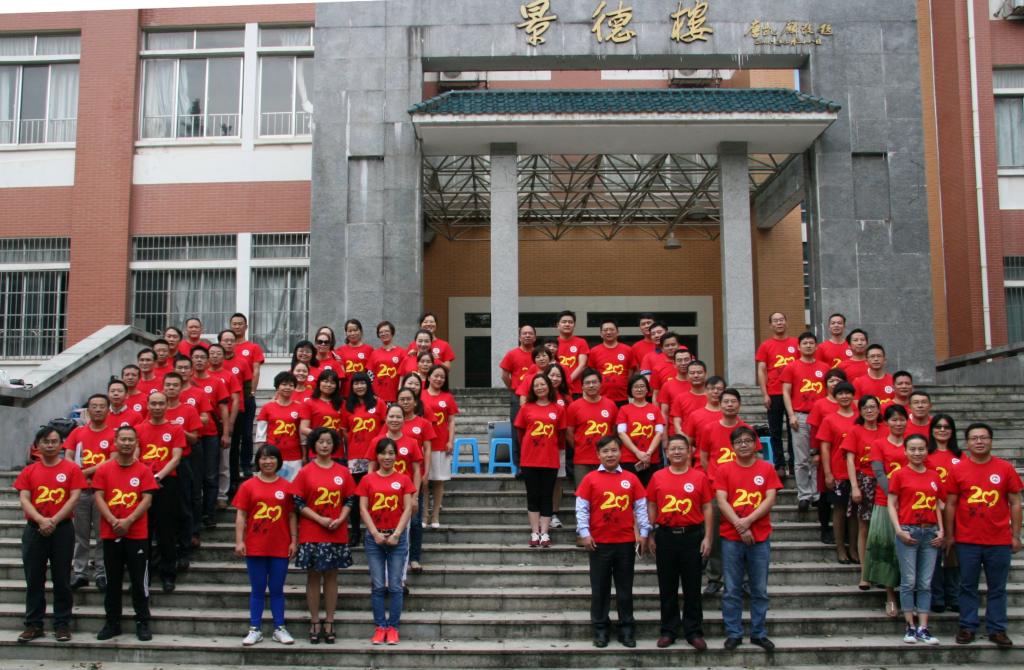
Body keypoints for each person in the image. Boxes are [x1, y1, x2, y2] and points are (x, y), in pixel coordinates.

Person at [945, 422, 1023, 648]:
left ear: (991, 440)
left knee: (997, 587)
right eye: (974, 438)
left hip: (999, 540)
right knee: (967, 585)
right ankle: (967, 627)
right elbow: (951, 504)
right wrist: (950, 535)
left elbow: (1015, 502)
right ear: (967, 443)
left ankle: (997, 629)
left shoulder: (1005, 468)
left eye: (983, 437)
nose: (979, 442)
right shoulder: (958, 469)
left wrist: (1016, 535)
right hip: (967, 540)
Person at [575, 435, 650, 648]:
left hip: (625, 542)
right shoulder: (590, 479)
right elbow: (582, 509)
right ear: (598, 455)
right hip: (599, 543)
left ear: (621, 453)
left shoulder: (631, 479)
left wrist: (644, 532)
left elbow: (641, 507)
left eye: (614, 450)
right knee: (600, 587)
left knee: (625, 588)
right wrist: (585, 533)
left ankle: (626, 628)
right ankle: (600, 628)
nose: (610, 455)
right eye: (605, 451)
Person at [15, 426, 86, 643]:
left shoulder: (72, 469)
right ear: (38, 445)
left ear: (61, 445)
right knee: (34, 579)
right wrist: (41, 520)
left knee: (62, 579)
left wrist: (53, 521)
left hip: (62, 529)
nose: (50, 445)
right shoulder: (29, 471)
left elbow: (74, 498)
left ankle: (62, 624)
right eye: (46, 441)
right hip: (34, 529)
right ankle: (33, 624)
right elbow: (24, 498)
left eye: (54, 441)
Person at [715, 425, 783, 651]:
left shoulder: (766, 468)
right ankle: (734, 632)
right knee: (731, 588)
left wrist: (748, 521)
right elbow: (722, 500)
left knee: (759, 589)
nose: (743, 445)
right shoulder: (724, 469)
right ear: (732, 447)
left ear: (755, 444)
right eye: (738, 442)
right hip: (731, 537)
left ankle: (758, 632)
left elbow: (770, 499)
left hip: (760, 536)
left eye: (747, 441)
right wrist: (740, 526)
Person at [646, 434, 712, 650]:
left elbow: (707, 507)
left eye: (680, 448)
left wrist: (708, 537)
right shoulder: (657, 477)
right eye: (672, 448)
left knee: (693, 586)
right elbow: (652, 505)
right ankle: (669, 630)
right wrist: (651, 533)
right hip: (665, 536)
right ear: (666, 453)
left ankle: (694, 631)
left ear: (689, 451)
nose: (676, 452)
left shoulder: (699, 477)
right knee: (667, 586)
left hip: (692, 536)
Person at [91, 426, 157, 641]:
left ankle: (142, 621)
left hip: (137, 534)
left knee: (139, 581)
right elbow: (99, 497)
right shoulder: (104, 469)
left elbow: (147, 500)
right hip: (111, 533)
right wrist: (113, 520)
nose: (127, 443)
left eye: (130, 440)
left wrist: (128, 521)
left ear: (136, 443)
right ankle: (112, 622)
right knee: (113, 581)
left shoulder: (143, 470)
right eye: (123, 439)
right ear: (115, 442)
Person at [292, 428, 356, 644]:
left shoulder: (343, 471)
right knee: (313, 576)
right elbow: (298, 502)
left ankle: (329, 620)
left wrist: (341, 518)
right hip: (312, 531)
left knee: (331, 576)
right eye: (321, 442)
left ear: (334, 445)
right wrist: (319, 519)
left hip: (336, 530)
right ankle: (314, 621)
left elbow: (349, 499)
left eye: (329, 442)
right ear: (314, 444)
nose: (325, 445)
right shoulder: (305, 471)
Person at [234, 444, 297, 646]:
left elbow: (291, 515)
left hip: (280, 545)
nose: (267, 461)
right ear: (257, 461)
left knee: (277, 588)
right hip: (255, 545)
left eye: (271, 458)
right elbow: (241, 515)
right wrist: (239, 541)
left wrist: (294, 540)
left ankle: (280, 628)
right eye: (263, 458)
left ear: (278, 461)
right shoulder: (248, 486)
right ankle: (255, 629)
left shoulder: (287, 486)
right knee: (258, 588)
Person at [357, 438, 417, 645]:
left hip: (397, 538)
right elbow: (363, 509)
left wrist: (397, 534)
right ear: (377, 456)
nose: (387, 457)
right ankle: (380, 626)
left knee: (396, 585)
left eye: (391, 453)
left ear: (396, 456)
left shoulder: (404, 479)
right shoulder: (368, 480)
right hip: (374, 538)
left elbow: (408, 509)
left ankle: (393, 627)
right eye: (383, 453)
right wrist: (374, 533)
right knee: (377, 585)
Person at [886, 434, 944, 645]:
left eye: (921, 449)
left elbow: (936, 504)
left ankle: (923, 627)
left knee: (925, 582)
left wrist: (942, 530)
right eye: (912, 449)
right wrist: (899, 530)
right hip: (908, 530)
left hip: (930, 531)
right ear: (905, 451)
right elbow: (891, 503)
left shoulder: (934, 475)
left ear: (927, 451)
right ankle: (910, 625)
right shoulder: (899, 475)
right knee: (909, 581)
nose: (917, 453)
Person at [136, 391, 186, 593]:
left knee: (167, 529)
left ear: (167, 405)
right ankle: (144, 574)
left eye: (160, 403)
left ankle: (168, 573)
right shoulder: (139, 429)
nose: (157, 407)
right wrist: (147, 477)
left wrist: (158, 477)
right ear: (148, 405)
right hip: (143, 484)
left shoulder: (175, 429)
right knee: (143, 530)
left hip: (167, 483)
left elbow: (176, 458)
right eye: (153, 403)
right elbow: (136, 455)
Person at [64, 394, 114, 592]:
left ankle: (102, 571)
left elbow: (112, 460)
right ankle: (80, 572)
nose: (98, 409)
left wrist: (86, 472)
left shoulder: (113, 434)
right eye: (94, 406)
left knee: (103, 534)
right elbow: (68, 456)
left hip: (103, 491)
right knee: (80, 534)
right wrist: (78, 473)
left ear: (108, 410)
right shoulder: (77, 433)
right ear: (88, 410)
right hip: (81, 491)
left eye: (102, 406)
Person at [865, 404, 910, 617]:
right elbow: (879, 473)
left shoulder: (914, 443)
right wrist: (894, 495)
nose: (898, 423)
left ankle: (910, 596)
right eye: (894, 419)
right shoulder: (879, 444)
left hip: (912, 503)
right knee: (887, 549)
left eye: (902, 419)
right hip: (885, 502)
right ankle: (890, 596)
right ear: (887, 422)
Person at [515, 373, 566, 547]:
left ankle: (545, 533)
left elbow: (561, 435)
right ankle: (534, 532)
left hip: (550, 459)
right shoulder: (526, 408)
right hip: (530, 459)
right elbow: (520, 432)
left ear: (549, 387)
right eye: (536, 385)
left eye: (542, 384)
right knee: (533, 495)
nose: (539, 388)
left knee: (546, 495)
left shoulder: (558, 408)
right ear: (532, 389)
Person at [781, 331, 830, 512]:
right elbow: (786, 392)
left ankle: (817, 494)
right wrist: (791, 415)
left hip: (821, 417)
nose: (808, 346)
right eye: (805, 343)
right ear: (799, 347)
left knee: (817, 458)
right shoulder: (791, 367)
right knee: (801, 459)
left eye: (811, 343)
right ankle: (804, 495)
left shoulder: (824, 367)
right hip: (800, 416)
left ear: (816, 346)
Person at [842, 395, 886, 584]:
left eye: (873, 407)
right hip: (864, 481)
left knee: (884, 529)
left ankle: (883, 573)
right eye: (865, 408)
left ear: (879, 409)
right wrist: (854, 486)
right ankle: (865, 574)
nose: (869, 411)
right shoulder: (855, 431)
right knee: (864, 527)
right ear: (859, 411)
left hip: (885, 482)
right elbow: (850, 460)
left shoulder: (886, 430)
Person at [816, 381, 858, 562]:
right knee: (839, 510)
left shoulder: (860, 418)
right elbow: (825, 448)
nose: (845, 396)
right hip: (838, 471)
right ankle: (840, 548)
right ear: (835, 396)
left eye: (848, 393)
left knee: (855, 513)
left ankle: (854, 548)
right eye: (841, 393)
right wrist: (827, 473)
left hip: (859, 471)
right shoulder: (829, 419)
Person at [396, 386, 435, 570]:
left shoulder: (423, 423)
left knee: (415, 520)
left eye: (408, 399)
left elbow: (427, 449)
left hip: (414, 478)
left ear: (415, 402)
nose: (405, 402)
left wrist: (426, 472)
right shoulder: (393, 421)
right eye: (402, 399)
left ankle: (414, 558)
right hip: (393, 480)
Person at [755, 312, 798, 477]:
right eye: (775, 321)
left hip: (794, 394)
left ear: (786, 322)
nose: (779, 323)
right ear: (770, 325)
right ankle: (779, 464)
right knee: (775, 431)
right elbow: (762, 370)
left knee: (794, 430)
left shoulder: (796, 343)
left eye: (781, 320)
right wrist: (764, 393)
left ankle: (793, 464)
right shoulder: (766, 345)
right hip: (774, 392)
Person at [926, 414, 961, 613]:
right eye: (938, 426)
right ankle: (937, 596)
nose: (942, 430)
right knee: (934, 554)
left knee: (952, 553)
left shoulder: (960, 456)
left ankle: (954, 595)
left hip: (956, 511)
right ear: (931, 430)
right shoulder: (926, 454)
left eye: (947, 427)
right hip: (931, 512)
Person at [343, 371, 381, 541]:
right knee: (356, 496)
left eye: (362, 383)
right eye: (356, 383)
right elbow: (345, 431)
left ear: (368, 384)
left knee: (375, 494)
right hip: (355, 457)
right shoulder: (348, 406)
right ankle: (355, 532)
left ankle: (375, 532)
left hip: (375, 457)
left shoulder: (379, 403)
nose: (359, 386)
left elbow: (385, 426)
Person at [565, 368, 618, 485]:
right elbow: (569, 432)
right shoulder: (574, 406)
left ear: (600, 384)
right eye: (587, 383)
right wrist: (579, 446)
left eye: (594, 382)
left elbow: (614, 430)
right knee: (583, 493)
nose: (591, 385)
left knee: (606, 491)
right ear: (582, 387)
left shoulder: (611, 405)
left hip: (607, 459)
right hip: (582, 460)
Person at [421, 364, 458, 528]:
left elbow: (451, 421)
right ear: (429, 377)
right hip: (423, 444)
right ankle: (424, 514)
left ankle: (435, 515)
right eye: (436, 375)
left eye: (442, 377)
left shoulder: (447, 397)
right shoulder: (420, 395)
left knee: (438, 480)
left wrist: (450, 441)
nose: (438, 379)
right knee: (424, 481)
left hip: (441, 443)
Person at [229, 312, 264, 480]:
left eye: (240, 324)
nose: (237, 326)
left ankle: (246, 465)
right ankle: (233, 466)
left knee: (247, 433)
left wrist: (252, 392)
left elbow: (256, 370)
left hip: (246, 396)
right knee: (233, 435)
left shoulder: (253, 347)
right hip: (229, 400)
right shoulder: (226, 347)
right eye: (234, 324)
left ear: (246, 326)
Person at [616, 373, 664, 487]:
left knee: (650, 490)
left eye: (642, 386)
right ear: (630, 390)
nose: (639, 389)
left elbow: (659, 433)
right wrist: (637, 452)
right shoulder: (624, 409)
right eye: (635, 387)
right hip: (629, 458)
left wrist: (648, 454)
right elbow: (621, 433)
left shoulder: (655, 409)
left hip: (651, 459)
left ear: (647, 389)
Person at [500, 324, 537, 470]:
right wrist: (515, 388)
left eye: (530, 333)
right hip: (517, 397)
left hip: (537, 397)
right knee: (517, 429)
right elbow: (504, 375)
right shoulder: (512, 354)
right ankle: (519, 465)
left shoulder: (539, 355)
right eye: (524, 333)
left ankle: (533, 461)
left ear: (535, 337)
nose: (527, 336)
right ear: (519, 337)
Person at [255, 371, 303, 482]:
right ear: (277, 387)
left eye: (291, 385)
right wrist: (262, 455)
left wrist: (304, 455)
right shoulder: (267, 408)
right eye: (284, 384)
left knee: (293, 487)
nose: (287, 387)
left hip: (294, 457)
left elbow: (302, 436)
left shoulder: (300, 407)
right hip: (272, 458)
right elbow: (260, 435)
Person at [299, 369, 347, 460]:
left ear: (337, 386)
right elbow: (303, 428)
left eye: (332, 383)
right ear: (319, 383)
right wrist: (322, 437)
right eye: (325, 381)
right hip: (317, 452)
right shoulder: (309, 403)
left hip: (338, 453)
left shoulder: (342, 403)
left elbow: (345, 429)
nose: (328, 385)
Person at [586, 319, 632, 406]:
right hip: (600, 397)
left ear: (617, 332)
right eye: (605, 330)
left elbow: (631, 372)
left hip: (623, 397)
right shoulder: (594, 351)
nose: (608, 332)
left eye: (611, 329)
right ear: (601, 334)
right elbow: (591, 373)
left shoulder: (628, 350)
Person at [555, 310, 589, 396]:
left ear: (574, 325)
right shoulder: (552, 344)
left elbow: (582, 365)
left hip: (576, 389)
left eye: (570, 322)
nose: (567, 324)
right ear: (557, 325)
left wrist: (567, 381)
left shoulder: (581, 342)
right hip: (556, 389)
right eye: (564, 322)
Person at [369, 321, 403, 403]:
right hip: (377, 397)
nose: (384, 334)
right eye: (381, 332)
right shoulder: (374, 353)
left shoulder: (401, 352)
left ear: (392, 332)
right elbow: (370, 376)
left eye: (386, 331)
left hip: (395, 396)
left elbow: (403, 375)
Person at [337, 319, 374, 394]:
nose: (353, 333)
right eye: (350, 331)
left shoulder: (369, 350)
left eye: (355, 330)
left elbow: (372, 374)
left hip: (364, 393)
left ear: (361, 331)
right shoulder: (339, 351)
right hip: (345, 393)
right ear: (346, 333)